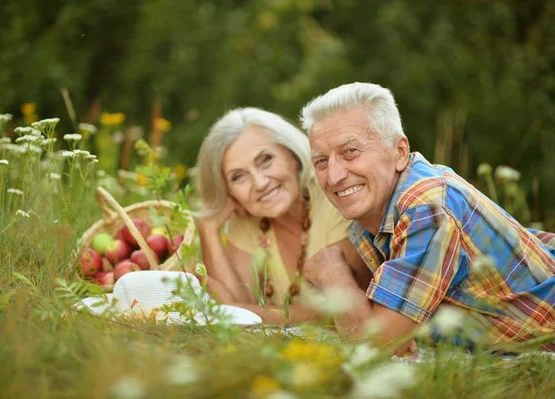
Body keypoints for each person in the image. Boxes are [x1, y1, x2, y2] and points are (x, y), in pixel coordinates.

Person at [299, 82, 555, 354]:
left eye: (351, 151)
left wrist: (332, 273)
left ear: (398, 152)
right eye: (322, 161)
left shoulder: (426, 207)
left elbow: (376, 349)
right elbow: (327, 303)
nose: (335, 176)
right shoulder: (379, 209)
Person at [195, 107, 371, 324]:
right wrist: (208, 230)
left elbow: (338, 313)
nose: (260, 183)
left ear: (292, 156)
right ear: (229, 192)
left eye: (266, 159)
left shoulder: (335, 198)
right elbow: (235, 307)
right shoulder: (247, 219)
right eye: (238, 177)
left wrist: (241, 311)